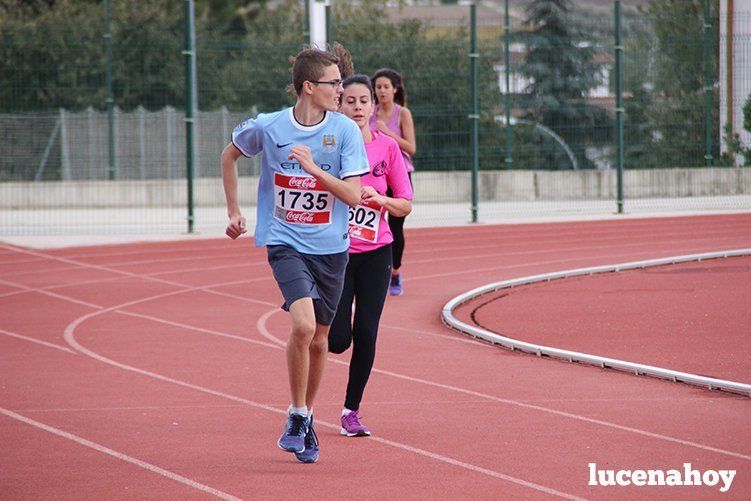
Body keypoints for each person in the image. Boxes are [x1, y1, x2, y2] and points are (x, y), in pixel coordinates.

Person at [221, 46, 369, 464]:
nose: (341, 90)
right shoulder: (270, 127)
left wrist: (316, 170)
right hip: (285, 242)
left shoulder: (344, 133)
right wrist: (234, 211)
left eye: (341, 83)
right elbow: (229, 154)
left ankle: (305, 419)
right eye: (334, 84)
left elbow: (353, 195)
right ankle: (298, 413)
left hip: (331, 248)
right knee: (302, 326)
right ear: (309, 87)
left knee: (321, 340)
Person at [329, 74, 413, 437]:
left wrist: (383, 201)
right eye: (351, 101)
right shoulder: (327, 146)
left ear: (373, 107)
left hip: (377, 252)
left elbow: (405, 204)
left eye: (365, 101)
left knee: (366, 332)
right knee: (336, 341)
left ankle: (351, 410)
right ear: (338, 104)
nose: (359, 107)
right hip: (335, 253)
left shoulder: (387, 148)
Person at [370, 68, 416, 296]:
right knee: (372, 222)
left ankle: (395, 272)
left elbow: (411, 148)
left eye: (386, 87)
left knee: (396, 226)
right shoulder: (369, 112)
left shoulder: (402, 114)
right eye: (378, 87)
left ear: (394, 89)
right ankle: (375, 271)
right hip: (375, 173)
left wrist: (387, 133)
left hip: (399, 173)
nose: (381, 91)